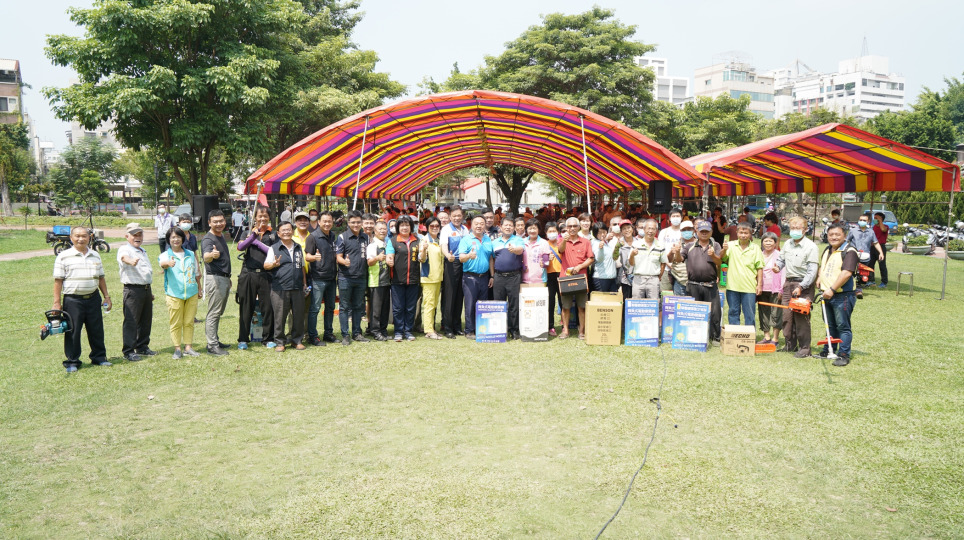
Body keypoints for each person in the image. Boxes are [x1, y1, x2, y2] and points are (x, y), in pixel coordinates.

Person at [53, 226, 112, 373]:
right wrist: (57, 303)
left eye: (84, 236)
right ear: (71, 238)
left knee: (96, 330)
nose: (81, 239)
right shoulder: (63, 256)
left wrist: (106, 297)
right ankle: (72, 361)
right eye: (77, 236)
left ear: (89, 237)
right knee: (73, 331)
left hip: (93, 298)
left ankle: (99, 357)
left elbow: (101, 278)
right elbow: (58, 281)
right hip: (73, 300)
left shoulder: (95, 255)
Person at [773, 216, 820, 358]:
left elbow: (812, 271)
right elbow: (781, 259)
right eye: (792, 228)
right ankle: (790, 344)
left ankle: (805, 348)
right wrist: (777, 266)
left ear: (805, 230)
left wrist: (801, 286)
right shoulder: (788, 243)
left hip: (804, 284)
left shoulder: (811, 247)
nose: (794, 230)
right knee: (787, 316)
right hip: (788, 283)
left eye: (798, 228)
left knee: (801, 317)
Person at [669, 220, 722, 344]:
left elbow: (719, 262)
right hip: (693, 285)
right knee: (693, 313)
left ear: (711, 232)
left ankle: (715, 337)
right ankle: (694, 337)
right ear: (696, 232)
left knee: (715, 313)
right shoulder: (689, 246)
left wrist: (713, 255)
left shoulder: (715, 245)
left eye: (707, 231)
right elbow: (679, 259)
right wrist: (677, 252)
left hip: (710, 285)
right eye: (702, 231)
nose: (704, 233)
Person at [816, 223, 860, 366]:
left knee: (842, 326)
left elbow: (846, 273)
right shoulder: (828, 249)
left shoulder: (849, 251)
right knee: (829, 325)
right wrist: (819, 278)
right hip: (826, 294)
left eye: (837, 234)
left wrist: (832, 289)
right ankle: (828, 349)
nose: (834, 237)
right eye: (831, 235)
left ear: (844, 236)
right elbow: (823, 266)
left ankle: (843, 354)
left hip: (842, 295)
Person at [236, 206, 277, 350]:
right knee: (246, 307)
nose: (262, 219)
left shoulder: (273, 235)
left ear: (269, 218)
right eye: (260, 216)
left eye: (265, 216)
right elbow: (240, 247)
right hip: (249, 273)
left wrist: (256, 242)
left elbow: (272, 251)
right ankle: (243, 339)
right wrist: (252, 237)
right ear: (255, 218)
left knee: (268, 307)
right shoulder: (247, 232)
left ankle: (268, 338)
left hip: (267, 274)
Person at [159, 227, 202, 359]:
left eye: (178, 237)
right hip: (174, 294)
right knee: (176, 323)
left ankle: (188, 347)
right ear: (168, 240)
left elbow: (196, 273)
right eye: (173, 237)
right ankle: (177, 348)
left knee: (189, 321)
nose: (176, 240)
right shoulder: (165, 255)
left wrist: (199, 288)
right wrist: (168, 263)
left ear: (182, 239)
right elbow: (162, 264)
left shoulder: (190, 254)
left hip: (191, 292)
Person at [263, 221, 307, 351]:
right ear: (278, 233)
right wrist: (273, 264)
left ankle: (297, 340)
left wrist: (304, 283)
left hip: (297, 287)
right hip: (280, 288)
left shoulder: (298, 247)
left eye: (289, 229)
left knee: (298, 316)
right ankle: (280, 342)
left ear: (293, 231)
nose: (287, 232)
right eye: (284, 230)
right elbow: (266, 265)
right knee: (280, 317)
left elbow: (302, 266)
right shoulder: (273, 248)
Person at [117, 223, 155, 362]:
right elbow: (124, 258)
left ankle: (142, 346)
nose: (137, 237)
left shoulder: (142, 250)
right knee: (131, 321)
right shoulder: (124, 249)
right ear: (127, 236)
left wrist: (148, 290)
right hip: (132, 290)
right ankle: (128, 351)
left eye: (140, 234)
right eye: (134, 235)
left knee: (146, 320)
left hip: (145, 289)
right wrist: (130, 261)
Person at [556, 217, 595, 339]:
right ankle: (565, 330)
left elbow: (591, 258)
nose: (572, 228)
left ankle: (581, 331)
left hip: (581, 278)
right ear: (566, 228)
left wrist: (580, 266)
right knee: (566, 307)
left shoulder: (585, 242)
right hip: (566, 278)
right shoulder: (561, 240)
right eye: (569, 226)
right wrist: (564, 240)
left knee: (582, 307)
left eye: (574, 226)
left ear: (579, 227)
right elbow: (560, 250)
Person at [336, 210, 370, 345]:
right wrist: (344, 262)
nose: (356, 225)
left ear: (362, 223)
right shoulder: (342, 237)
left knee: (358, 306)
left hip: (361, 277)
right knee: (344, 307)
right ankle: (345, 335)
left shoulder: (366, 237)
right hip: (345, 277)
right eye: (353, 222)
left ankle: (357, 333)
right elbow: (338, 256)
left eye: (358, 222)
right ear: (348, 223)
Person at [458, 215, 495, 339]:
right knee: (470, 305)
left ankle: (481, 329)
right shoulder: (466, 240)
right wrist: (469, 256)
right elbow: (461, 258)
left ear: (485, 225)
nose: (479, 226)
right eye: (476, 223)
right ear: (471, 225)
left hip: (484, 277)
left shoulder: (488, 240)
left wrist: (492, 276)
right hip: (470, 277)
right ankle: (469, 330)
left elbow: (491, 258)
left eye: (481, 223)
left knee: (482, 305)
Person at [721, 222, 764, 327]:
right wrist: (724, 249)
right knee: (733, 312)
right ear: (737, 233)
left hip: (749, 287)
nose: (743, 235)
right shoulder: (731, 245)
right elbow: (723, 258)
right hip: (732, 286)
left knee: (749, 314)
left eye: (746, 233)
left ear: (751, 233)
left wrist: (759, 285)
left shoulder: (755, 248)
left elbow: (759, 267)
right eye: (741, 233)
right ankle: (734, 335)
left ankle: (749, 335)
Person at [304, 211, 338, 345]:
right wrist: (314, 257)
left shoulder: (333, 236)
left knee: (330, 307)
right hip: (318, 278)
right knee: (315, 308)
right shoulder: (312, 237)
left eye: (329, 221)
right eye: (324, 221)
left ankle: (328, 333)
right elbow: (307, 257)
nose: (327, 224)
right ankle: (313, 336)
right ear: (319, 222)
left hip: (331, 278)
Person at [201, 209, 232, 356]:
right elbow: (206, 257)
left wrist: (227, 278)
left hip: (223, 278)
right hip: (215, 279)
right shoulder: (208, 239)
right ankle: (212, 346)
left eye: (221, 221)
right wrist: (211, 255)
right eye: (215, 222)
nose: (219, 224)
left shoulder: (220, 236)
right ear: (209, 223)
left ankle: (215, 340)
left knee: (218, 311)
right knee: (214, 312)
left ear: (225, 221)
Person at [386, 216, 422, 341]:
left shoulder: (417, 240)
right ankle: (398, 331)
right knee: (398, 308)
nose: (405, 228)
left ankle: (408, 331)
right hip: (397, 280)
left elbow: (422, 257)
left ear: (411, 227)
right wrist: (389, 260)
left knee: (411, 307)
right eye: (402, 225)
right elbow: (389, 255)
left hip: (413, 279)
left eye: (407, 225)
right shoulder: (393, 241)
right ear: (398, 227)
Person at [491, 216, 525, 340]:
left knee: (514, 305)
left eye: (511, 225)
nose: (508, 227)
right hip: (499, 277)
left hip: (514, 277)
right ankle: (500, 329)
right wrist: (492, 275)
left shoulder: (518, 240)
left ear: (514, 228)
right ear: (501, 227)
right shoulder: (495, 242)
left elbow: (520, 250)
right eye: (506, 225)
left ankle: (514, 330)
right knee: (499, 304)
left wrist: (514, 249)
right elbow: (492, 258)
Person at [440, 206, 469, 339]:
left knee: (459, 296)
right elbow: (443, 245)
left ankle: (457, 326)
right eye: (454, 216)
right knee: (449, 296)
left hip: (464, 263)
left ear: (462, 217)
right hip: (451, 263)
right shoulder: (446, 229)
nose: (457, 218)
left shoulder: (465, 229)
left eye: (459, 216)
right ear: (450, 217)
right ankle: (448, 327)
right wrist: (447, 255)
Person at [845, 213, 883, 299]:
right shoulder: (853, 231)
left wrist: (881, 253)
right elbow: (847, 241)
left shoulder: (871, 232)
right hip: (853, 255)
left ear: (868, 221)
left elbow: (876, 243)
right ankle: (851, 289)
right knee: (851, 272)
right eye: (861, 220)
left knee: (862, 275)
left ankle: (858, 289)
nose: (862, 221)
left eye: (864, 220)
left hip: (865, 256)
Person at [366, 221, 392, 341]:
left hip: (386, 280)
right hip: (376, 281)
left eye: (384, 229)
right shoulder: (372, 245)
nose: (382, 231)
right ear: (375, 231)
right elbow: (369, 262)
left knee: (385, 308)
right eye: (379, 229)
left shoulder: (387, 243)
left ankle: (383, 330)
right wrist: (377, 258)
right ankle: (375, 331)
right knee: (376, 309)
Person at [419, 217, 444, 339]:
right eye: (432, 226)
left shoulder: (439, 240)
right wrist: (424, 249)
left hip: (438, 277)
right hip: (428, 277)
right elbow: (421, 259)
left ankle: (432, 328)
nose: (435, 228)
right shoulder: (424, 240)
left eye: (437, 226)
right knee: (429, 304)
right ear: (427, 227)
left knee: (434, 304)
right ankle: (428, 330)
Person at [758, 231, 784, 345]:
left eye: (770, 241)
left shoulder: (779, 255)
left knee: (776, 313)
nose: (768, 243)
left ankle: (775, 339)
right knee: (763, 312)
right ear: (762, 242)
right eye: (766, 241)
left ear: (775, 243)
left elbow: (784, 273)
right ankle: (766, 336)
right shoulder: (759, 254)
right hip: (762, 288)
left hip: (775, 289)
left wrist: (781, 289)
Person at [629, 219, 666, 299]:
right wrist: (632, 255)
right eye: (648, 228)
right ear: (644, 229)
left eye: (653, 229)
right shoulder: (636, 244)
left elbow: (663, 263)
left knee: (654, 303)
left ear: (656, 230)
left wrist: (659, 277)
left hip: (653, 279)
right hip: (638, 279)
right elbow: (631, 263)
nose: (650, 231)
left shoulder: (660, 245)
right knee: (636, 303)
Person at [544, 221, 564, 336]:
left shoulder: (562, 242)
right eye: (550, 231)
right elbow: (541, 261)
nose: (552, 233)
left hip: (561, 274)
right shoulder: (544, 244)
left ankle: (564, 324)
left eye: (554, 231)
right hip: (549, 275)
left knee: (563, 301)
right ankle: (550, 326)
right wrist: (547, 259)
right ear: (546, 233)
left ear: (558, 232)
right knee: (550, 302)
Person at [657, 209, 684, 293]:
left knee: (681, 294)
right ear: (669, 218)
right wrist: (668, 263)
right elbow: (660, 250)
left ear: (681, 218)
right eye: (673, 216)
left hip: (681, 269)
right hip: (666, 268)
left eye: (677, 216)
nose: (675, 218)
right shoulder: (664, 232)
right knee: (665, 293)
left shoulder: (685, 232)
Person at [668, 220, 695, 296]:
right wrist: (671, 252)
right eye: (684, 230)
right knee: (679, 302)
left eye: (689, 229)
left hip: (695, 282)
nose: (686, 231)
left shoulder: (699, 243)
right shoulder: (676, 243)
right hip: (679, 281)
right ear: (680, 231)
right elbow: (669, 260)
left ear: (693, 230)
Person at [522, 218, 550, 286]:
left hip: (540, 279)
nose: (532, 231)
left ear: (539, 230)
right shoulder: (522, 242)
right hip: (524, 278)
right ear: (526, 230)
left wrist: (545, 263)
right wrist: (521, 265)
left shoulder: (544, 243)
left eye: (534, 228)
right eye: (530, 228)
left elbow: (546, 261)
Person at [591, 223, 618, 292]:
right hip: (601, 278)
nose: (602, 234)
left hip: (611, 278)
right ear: (595, 233)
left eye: (604, 232)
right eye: (599, 232)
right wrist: (600, 248)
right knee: (602, 299)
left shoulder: (605, 242)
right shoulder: (595, 243)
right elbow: (599, 259)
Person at [613, 219, 636, 299]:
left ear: (632, 228)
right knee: (626, 299)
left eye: (628, 228)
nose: (627, 230)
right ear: (621, 231)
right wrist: (617, 247)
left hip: (638, 275)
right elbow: (614, 257)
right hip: (626, 276)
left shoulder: (638, 242)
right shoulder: (620, 243)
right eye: (624, 229)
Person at [871, 211, 889, 288]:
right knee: (870, 264)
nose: (874, 219)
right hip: (872, 247)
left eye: (876, 218)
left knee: (882, 265)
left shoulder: (885, 226)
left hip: (881, 247)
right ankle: (871, 281)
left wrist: (880, 221)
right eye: (874, 218)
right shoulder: (873, 227)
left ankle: (884, 282)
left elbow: (883, 230)